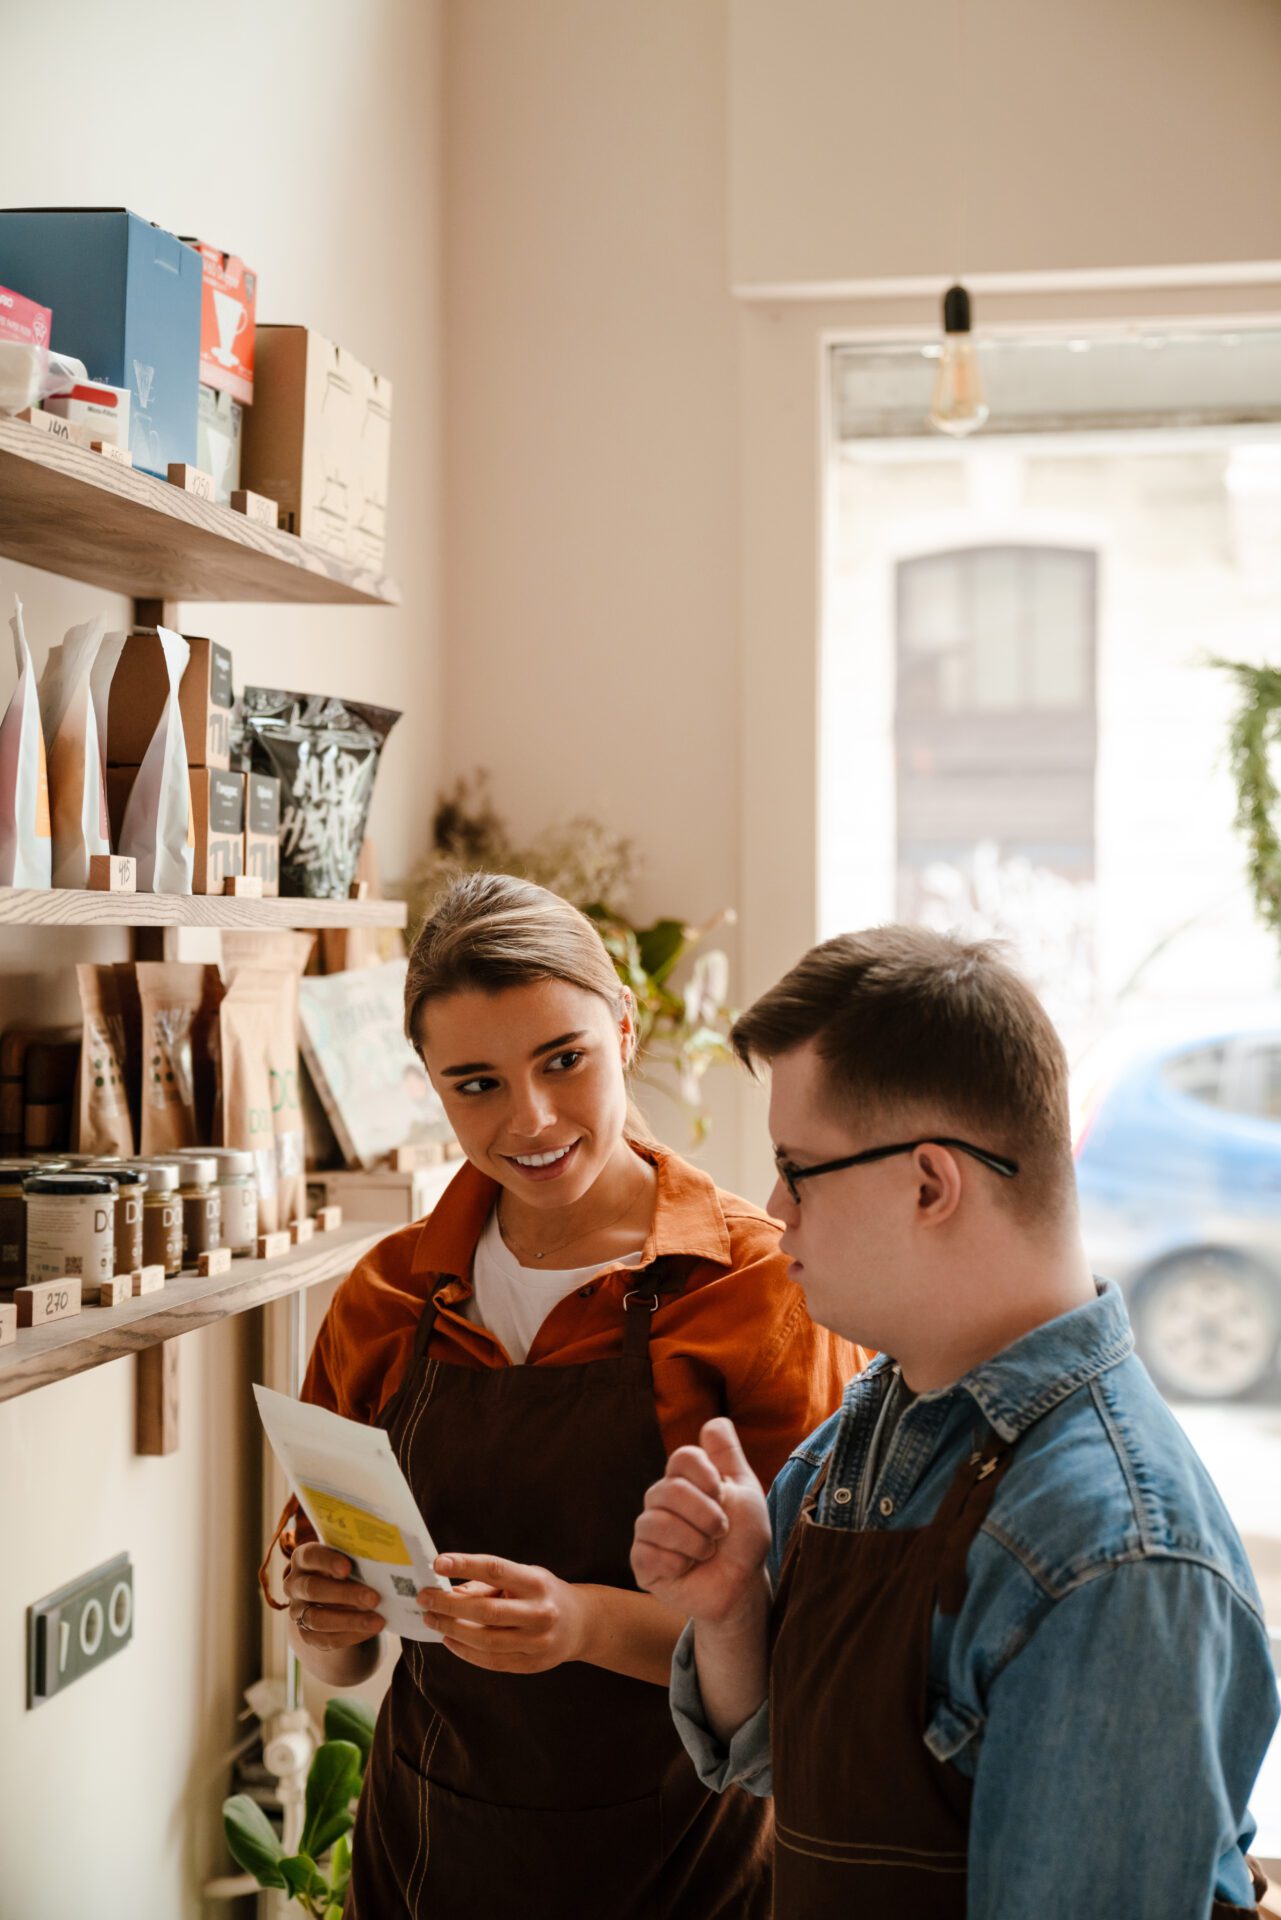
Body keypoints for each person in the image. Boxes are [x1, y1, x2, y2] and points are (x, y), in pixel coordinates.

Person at [631, 925, 1281, 1918]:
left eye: (797, 1167)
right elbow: (774, 1763)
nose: (773, 1206)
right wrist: (730, 1616)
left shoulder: (1112, 1558)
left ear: (931, 1182)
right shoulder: (879, 1422)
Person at [260, 873, 866, 1919]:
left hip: (685, 1871)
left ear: (624, 1029)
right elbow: (347, 1654)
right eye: (476, 1084)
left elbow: (813, 1654)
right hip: (427, 1860)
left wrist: (583, 1626)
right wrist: (328, 1618)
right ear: (430, 1086)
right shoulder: (385, 1296)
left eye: (563, 1061)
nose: (531, 1120)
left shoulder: (757, 1288)